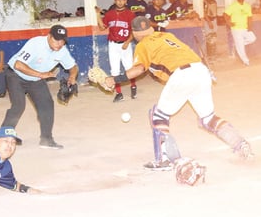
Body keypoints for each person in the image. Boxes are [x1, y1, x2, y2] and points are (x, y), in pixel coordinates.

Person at [105, 16, 253, 170]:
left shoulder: (143, 45)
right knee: (208, 118)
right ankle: (240, 144)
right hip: (201, 70)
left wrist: (115, 79)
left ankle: (165, 160)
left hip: (182, 74)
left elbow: (139, 69)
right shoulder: (167, 36)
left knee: (158, 115)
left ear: (135, 33)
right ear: (150, 28)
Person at [1, 24, 78, 149]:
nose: (59, 43)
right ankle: (4, 136)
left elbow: (73, 66)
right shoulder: (35, 44)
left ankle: (46, 139)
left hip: (35, 79)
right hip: (16, 75)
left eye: (62, 41)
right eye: (56, 39)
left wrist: (72, 76)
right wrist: (41, 74)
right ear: (49, 36)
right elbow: (18, 65)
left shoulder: (62, 50)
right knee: (18, 106)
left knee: (46, 104)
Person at [95, 0, 137, 102]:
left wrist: (128, 42)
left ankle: (133, 86)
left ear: (125, 1)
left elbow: (134, 31)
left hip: (125, 44)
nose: (120, 1)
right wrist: (98, 14)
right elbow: (102, 27)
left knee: (129, 68)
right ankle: (119, 93)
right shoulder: (109, 14)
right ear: (115, 0)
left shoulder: (130, 14)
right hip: (113, 44)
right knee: (115, 70)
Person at [223, 0, 257, 66]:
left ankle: (238, 44)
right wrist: (229, 23)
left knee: (253, 38)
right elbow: (225, 14)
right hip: (236, 29)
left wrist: (250, 27)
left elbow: (250, 17)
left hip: (245, 28)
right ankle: (246, 61)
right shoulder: (233, 6)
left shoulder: (247, 6)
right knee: (240, 47)